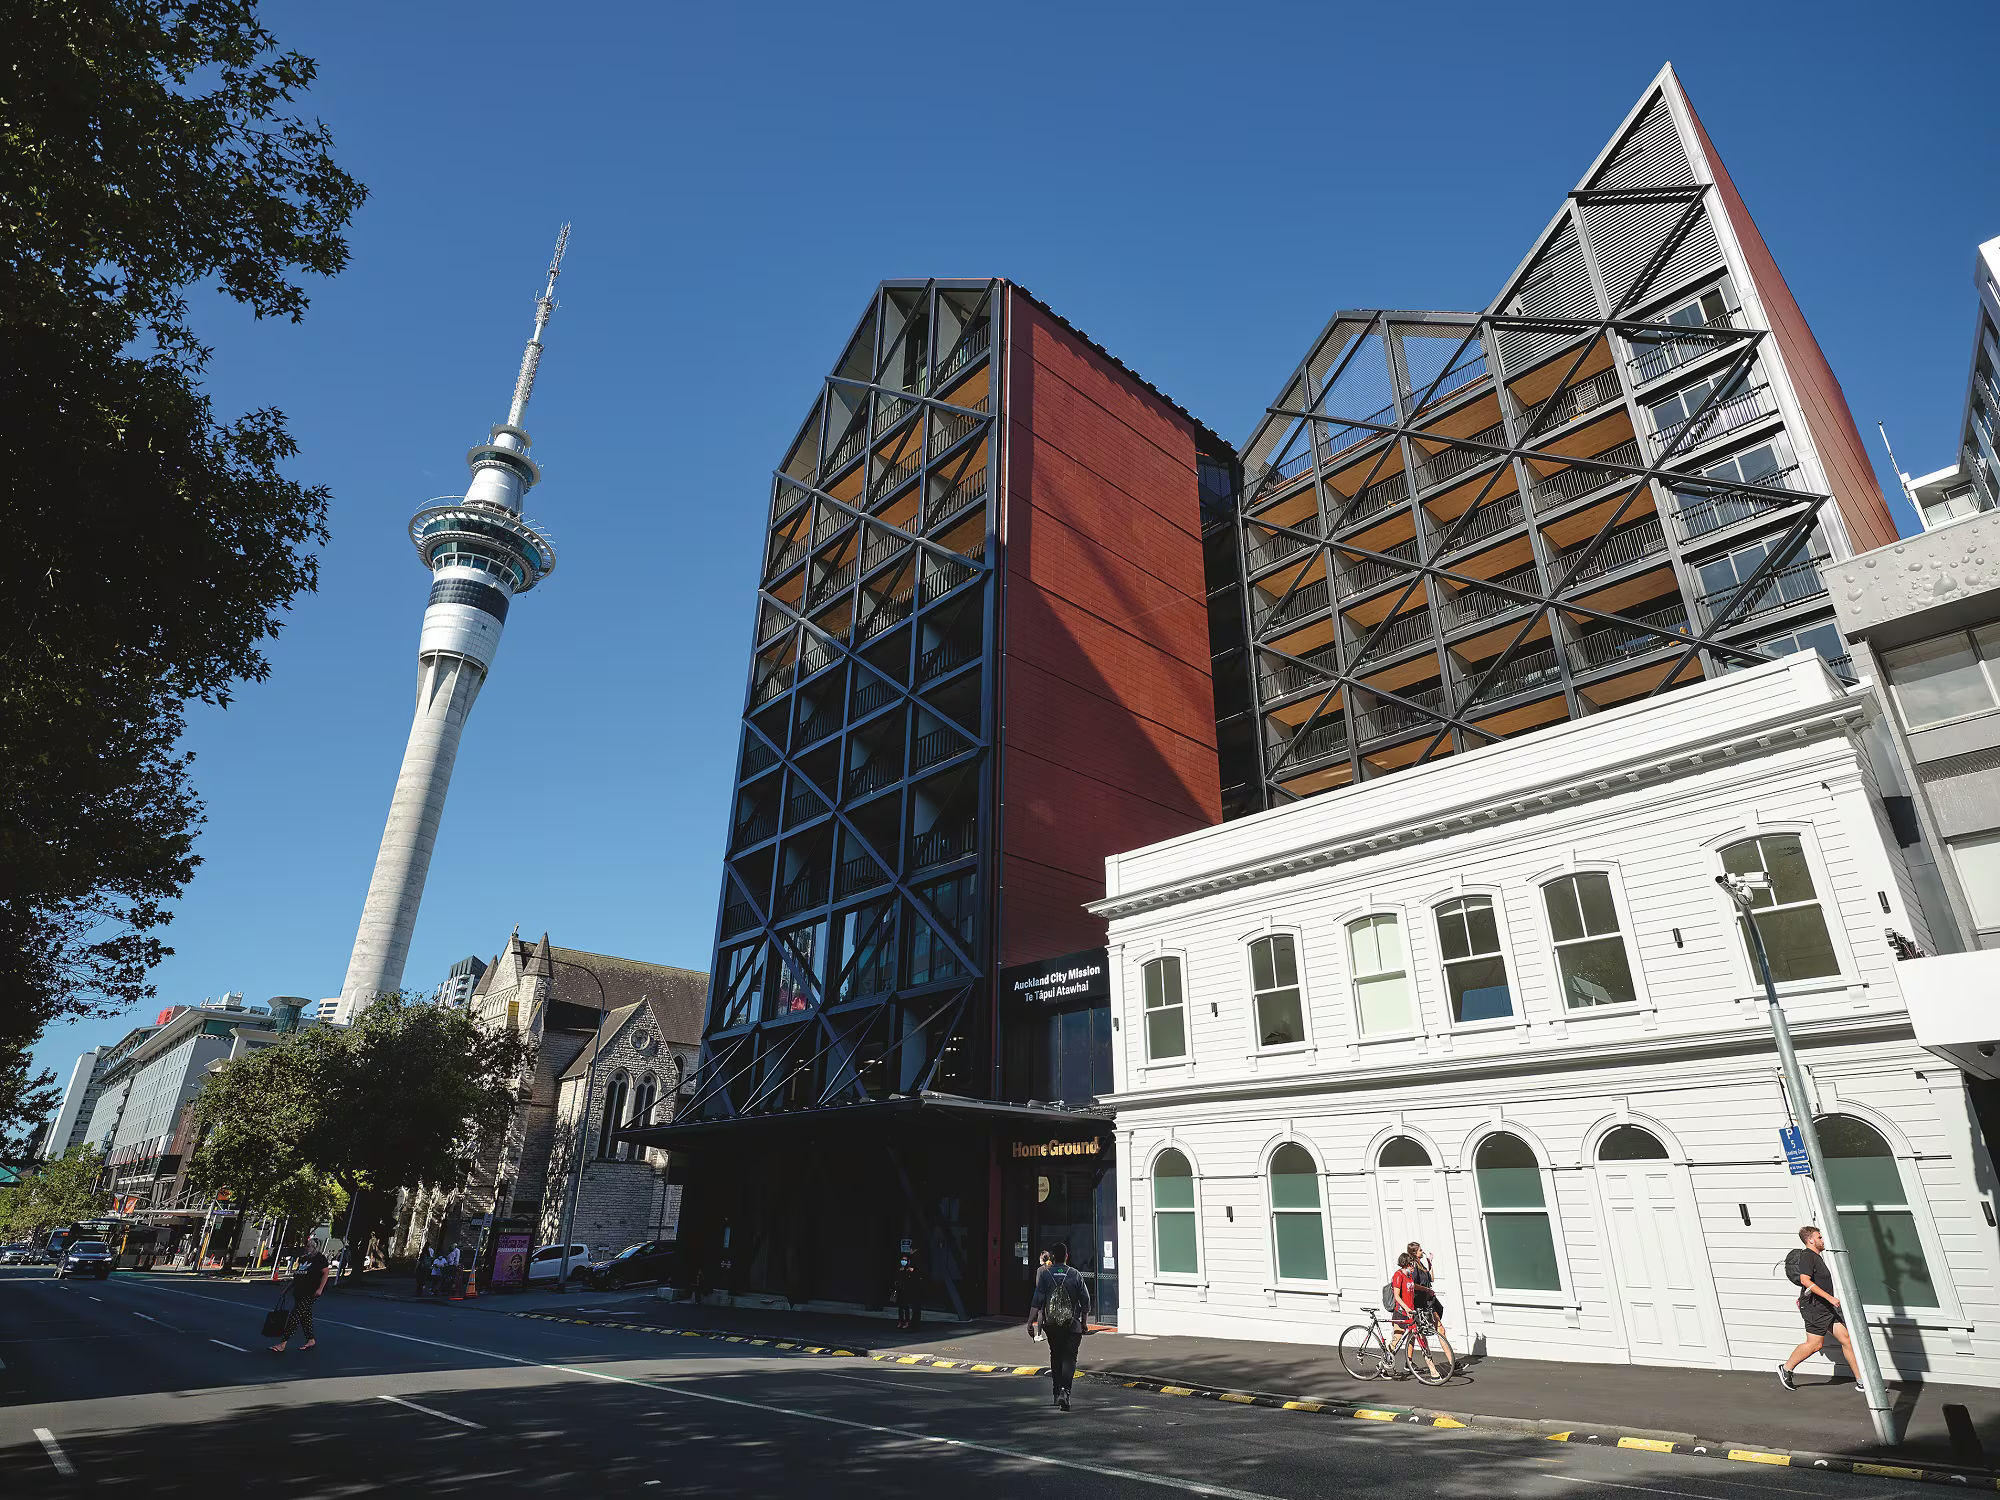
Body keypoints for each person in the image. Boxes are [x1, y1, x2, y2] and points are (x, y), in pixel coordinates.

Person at [1780, 1225, 1865, 1392]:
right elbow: (1805, 1280)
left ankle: (1862, 1381)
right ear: (1811, 1240)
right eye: (1819, 1237)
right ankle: (1786, 1368)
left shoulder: (1816, 1257)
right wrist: (1829, 1298)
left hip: (1823, 1307)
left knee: (1846, 1339)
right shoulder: (1807, 1256)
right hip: (1815, 1308)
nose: (1823, 1240)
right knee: (1815, 1344)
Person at [1028, 1241, 1092, 1412]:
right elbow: (1085, 1301)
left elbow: (1037, 1301)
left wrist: (1030, 1323)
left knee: (1056, 1356)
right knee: (1070, 1358)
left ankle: (1056, 1393)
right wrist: (1084, 1323)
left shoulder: (1045, 1275)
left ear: (1053, 1257)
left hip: (1052, 1325)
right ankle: (1066, 1391)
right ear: (1067, 1256)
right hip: (1072, 1325)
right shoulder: (1075, 1274)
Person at [269, 1236, 331, 1354]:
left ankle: (283, 1344)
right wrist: (287, 1288)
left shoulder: (320, 1258)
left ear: (314, 1247)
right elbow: (297, 1276)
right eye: (306, 1246)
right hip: (299, 1291)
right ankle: (310, 1340)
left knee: (295, 1316)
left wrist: (320, 1289)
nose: (306, 1248)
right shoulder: (303, 1259)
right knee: (305, 1316)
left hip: (311, 1292)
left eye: (309, 1246)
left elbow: (325, 1273)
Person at [1406, 1241, 1446, 1335]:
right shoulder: (1414, 1266)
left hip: (1428, 1300)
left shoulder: (1421, 1265)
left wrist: (1430, 1263)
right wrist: (1427, 1289)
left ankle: (1422, 1345)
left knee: (1436, 1329)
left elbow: (1431, 1279)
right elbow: (1412, 1284)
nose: (1422, 1251)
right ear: (1414, 1253)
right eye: (1420, 1250)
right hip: (1420, 1302)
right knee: (1418, 1332)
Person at [893, 1251, 920, 1331]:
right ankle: (901, 1321)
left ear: (908, 1261)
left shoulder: (909, 1269)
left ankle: (907, 1321)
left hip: (906, 1290)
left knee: (906, 1307)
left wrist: (910, 1270)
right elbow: (896, 1278)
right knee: (900, 1307)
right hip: (899, 1290)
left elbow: (914, 1275)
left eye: (905, 1260)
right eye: (902, 1260)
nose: (903, 1261)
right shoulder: (899, 1269)